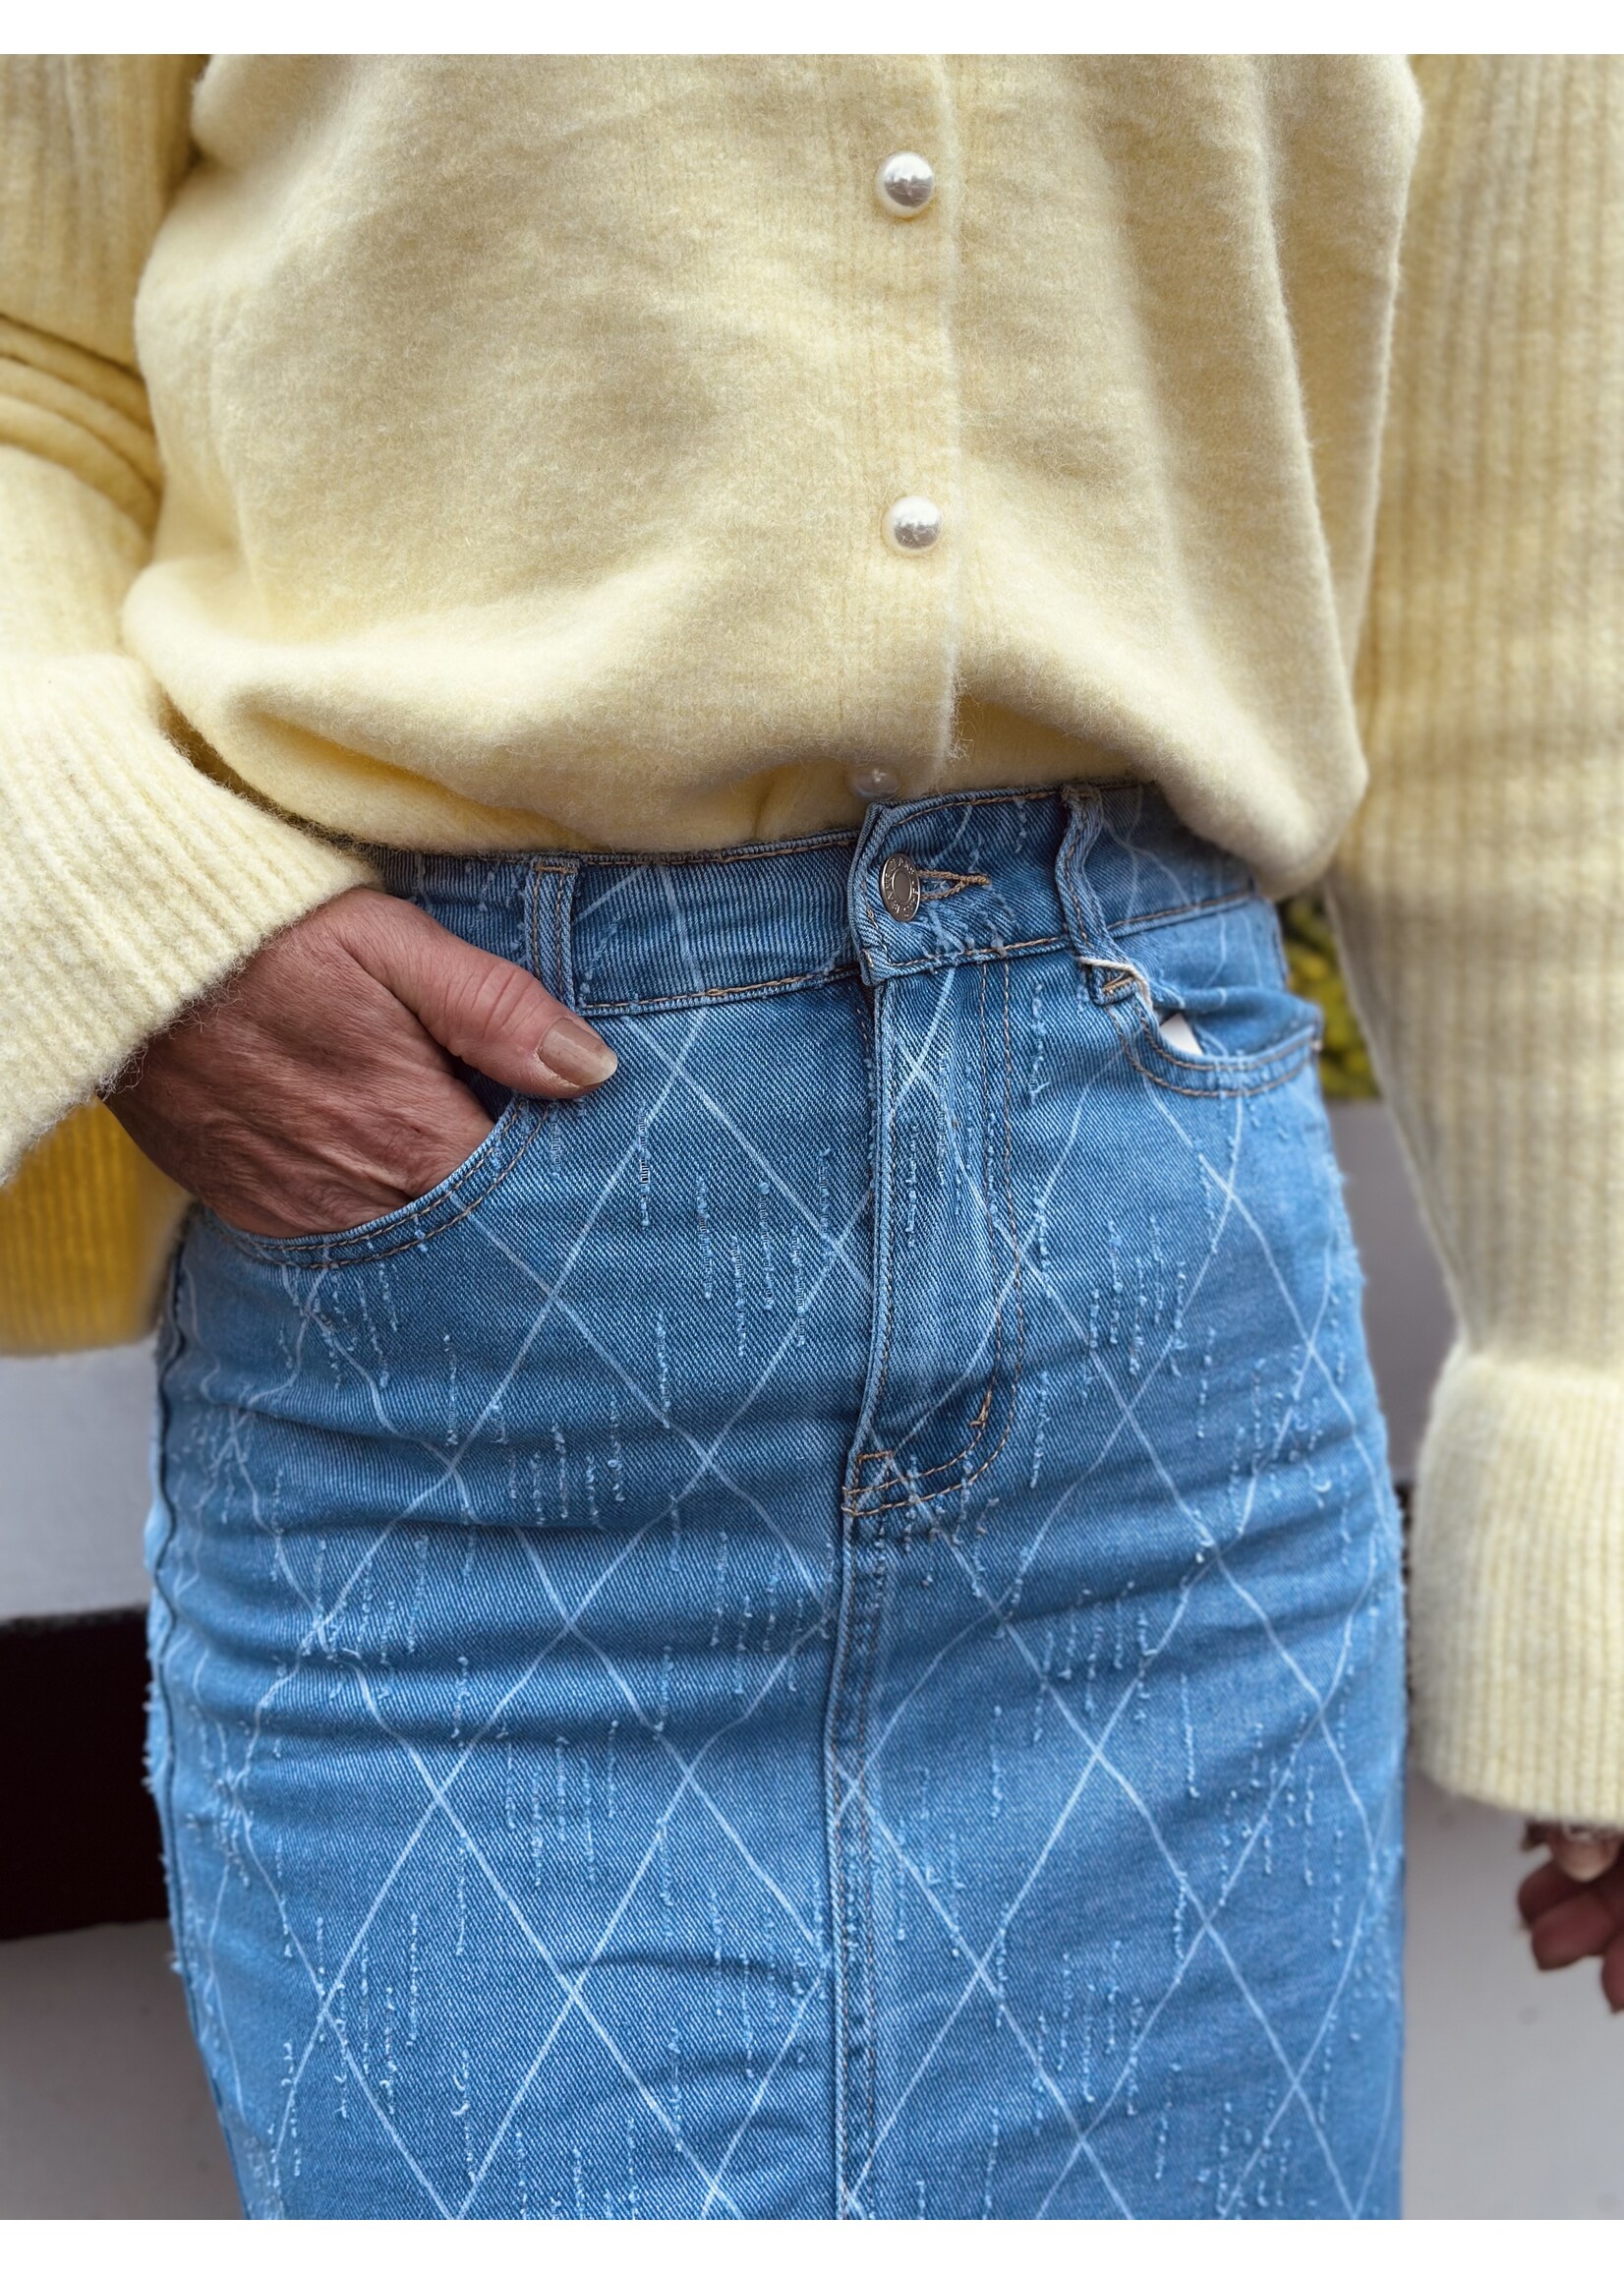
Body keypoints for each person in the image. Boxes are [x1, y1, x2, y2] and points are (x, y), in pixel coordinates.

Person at [0, 55, 1619, 2221]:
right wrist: (133, 920)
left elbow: (1528, 593)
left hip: (1172, 1412)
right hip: (473, 1358)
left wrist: (1600, 1464)